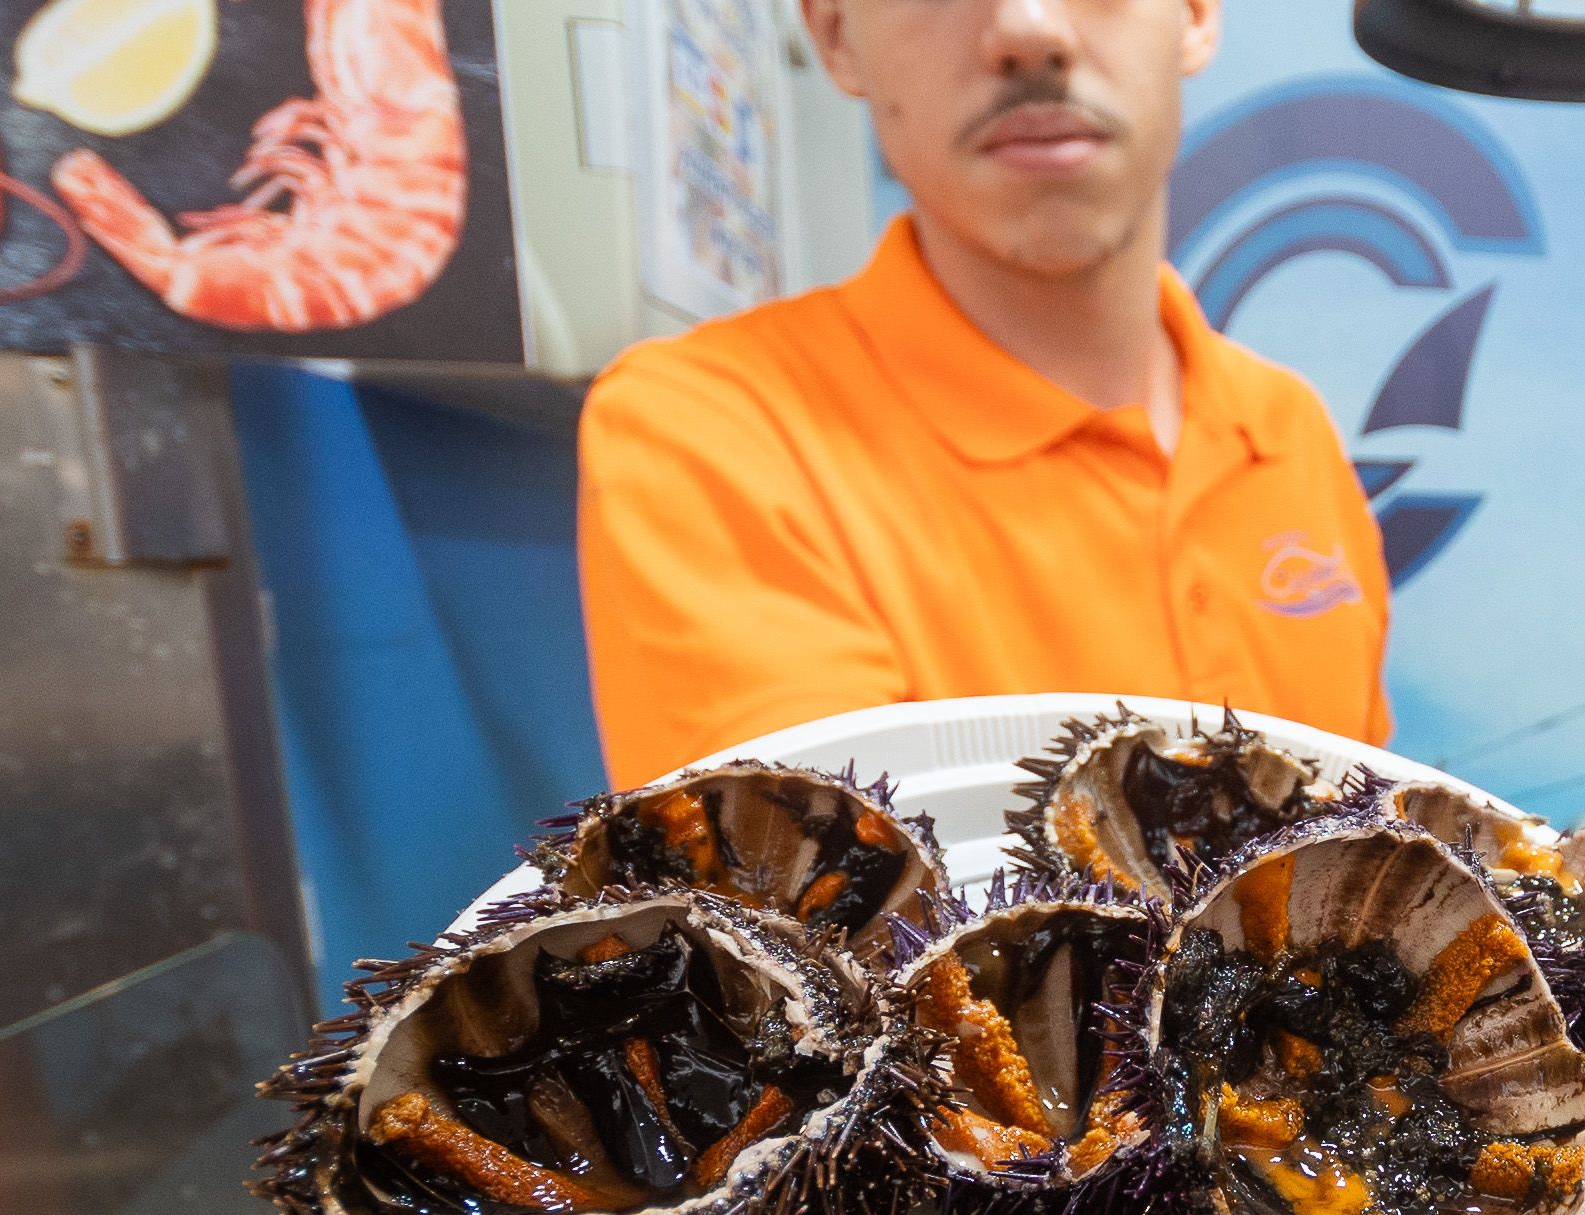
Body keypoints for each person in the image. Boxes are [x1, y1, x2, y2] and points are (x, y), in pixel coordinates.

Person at [577, 0, 1393, 788]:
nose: (1027, 28)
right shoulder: (711, 434)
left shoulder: (1290, 430)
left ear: (1196, 13)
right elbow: (819, 910)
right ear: (836, 35)